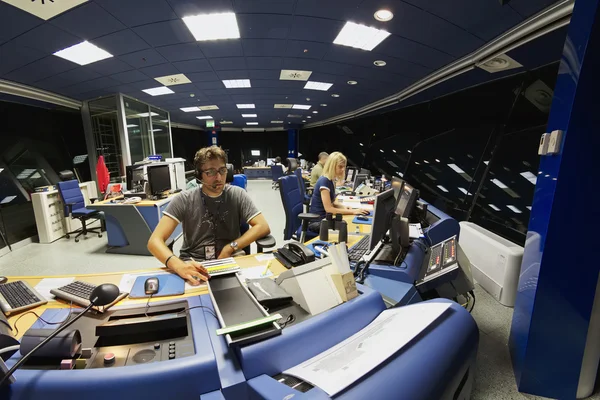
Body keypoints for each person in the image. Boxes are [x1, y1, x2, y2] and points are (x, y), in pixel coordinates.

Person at [148, 146, 271, 285]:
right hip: (193, 262)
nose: (218, 177)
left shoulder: (237, 194)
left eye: (222, 171)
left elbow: (263, 226)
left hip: (230, 258)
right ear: (199, 175)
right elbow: (154, 241)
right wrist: (177, 265)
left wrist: (230, 247)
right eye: (211, 172)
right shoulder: (184, 199)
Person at [309, 152, 369, 232]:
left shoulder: (330, 180)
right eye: (340, 167)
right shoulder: (324, 181)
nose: (343, 169)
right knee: (349, 227)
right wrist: (353, 211)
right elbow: (329, 209)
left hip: (325, 219)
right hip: (318, 222)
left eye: (344, 167)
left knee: (348, 222)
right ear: (332, 166)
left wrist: (344, 207)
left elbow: (332, 203)